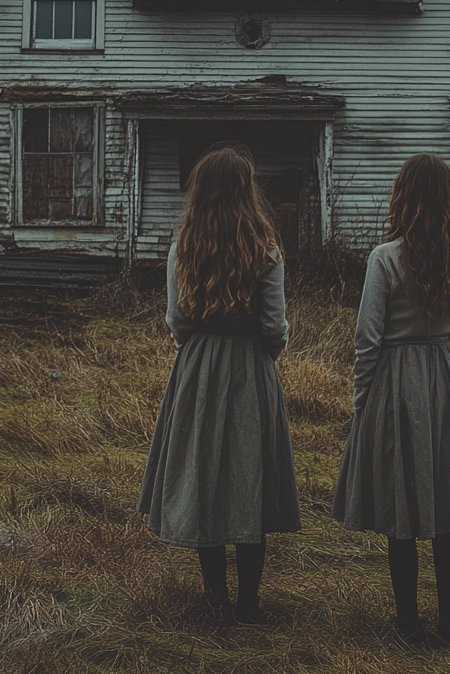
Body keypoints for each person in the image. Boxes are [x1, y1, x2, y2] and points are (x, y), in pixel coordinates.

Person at [332, 153, 450, 645]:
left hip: (395, 387)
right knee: (448, 513)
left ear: (402, 198)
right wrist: (447, 375)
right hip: (447, 381)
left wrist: (363, 402)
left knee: (401, 514)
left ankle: (407, 622)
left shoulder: (384, 259)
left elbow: (367, 338)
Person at [137, 145, 301, 625]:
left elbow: (178, 321)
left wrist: (198, 354)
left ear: (200, 192)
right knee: (249, 478)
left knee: (206, 479)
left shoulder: (183, 249)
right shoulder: (266, 250)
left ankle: (216, 599)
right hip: (251, 366)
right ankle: (249, 602)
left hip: (200, 367)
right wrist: (260, 356)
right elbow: (275, 327)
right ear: (245, 191)